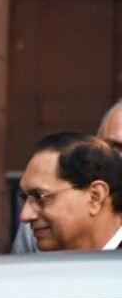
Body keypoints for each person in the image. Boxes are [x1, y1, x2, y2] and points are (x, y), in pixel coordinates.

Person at [12, 99, 122, 253]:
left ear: (95, 197)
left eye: (40, 196)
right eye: (115, 148)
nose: (25, 216)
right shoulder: (37, 234)